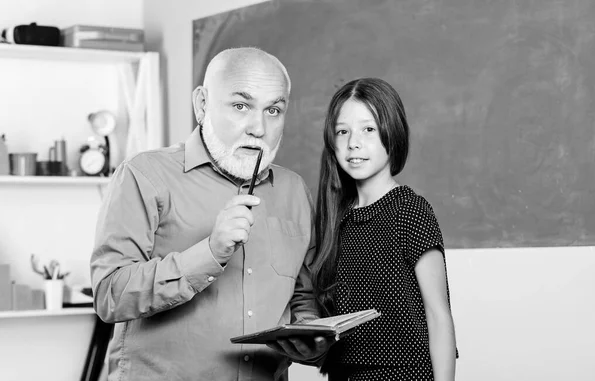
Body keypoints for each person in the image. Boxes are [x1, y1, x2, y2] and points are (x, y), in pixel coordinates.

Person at [90, 47, 329, 381]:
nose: (258, 128)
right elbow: (109, 295)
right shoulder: (143, 175)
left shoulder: (294, 191)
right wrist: (211, 252)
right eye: (241, 106)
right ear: (202, 104)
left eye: (273, 110)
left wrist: (308, 337)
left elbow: (303, 297)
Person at [312, 77, 458, 381]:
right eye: (343, 131)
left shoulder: (411, 210)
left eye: (368, 129)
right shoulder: (334, 218)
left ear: (391, 134)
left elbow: (438, 316)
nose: (353, 142)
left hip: (406, 374)